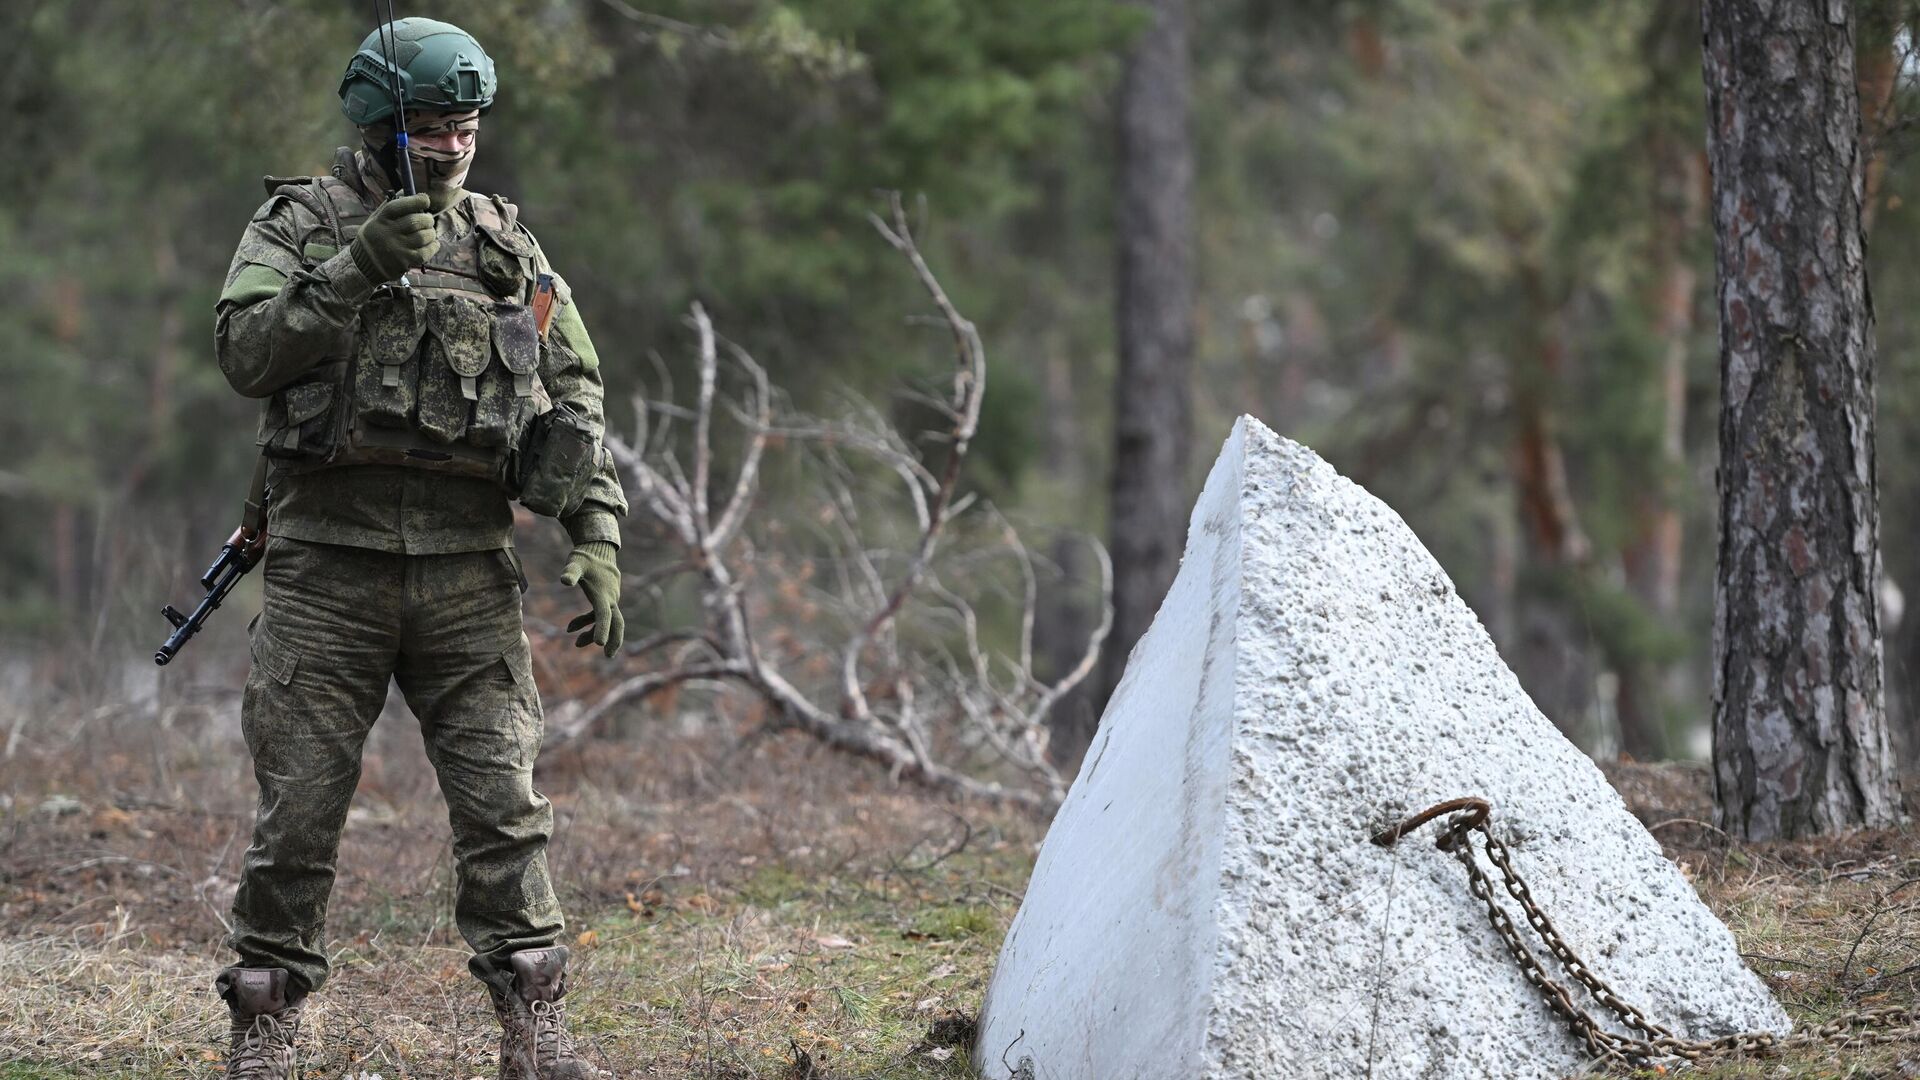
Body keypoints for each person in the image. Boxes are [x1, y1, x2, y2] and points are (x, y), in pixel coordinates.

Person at [210, 17, 623, 1080]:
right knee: (298, 809)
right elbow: (245, 354)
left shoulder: (504, 246)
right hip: (327, 570)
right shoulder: (302, 222)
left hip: (465, 576)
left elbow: (575, 392)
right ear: (380, 126)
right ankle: (265, 1024)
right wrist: (351, 270)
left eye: (466, 126)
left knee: (504, 807)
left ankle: (534, 1032)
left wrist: (598, 534)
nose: (450, 147)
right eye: (429, 127)